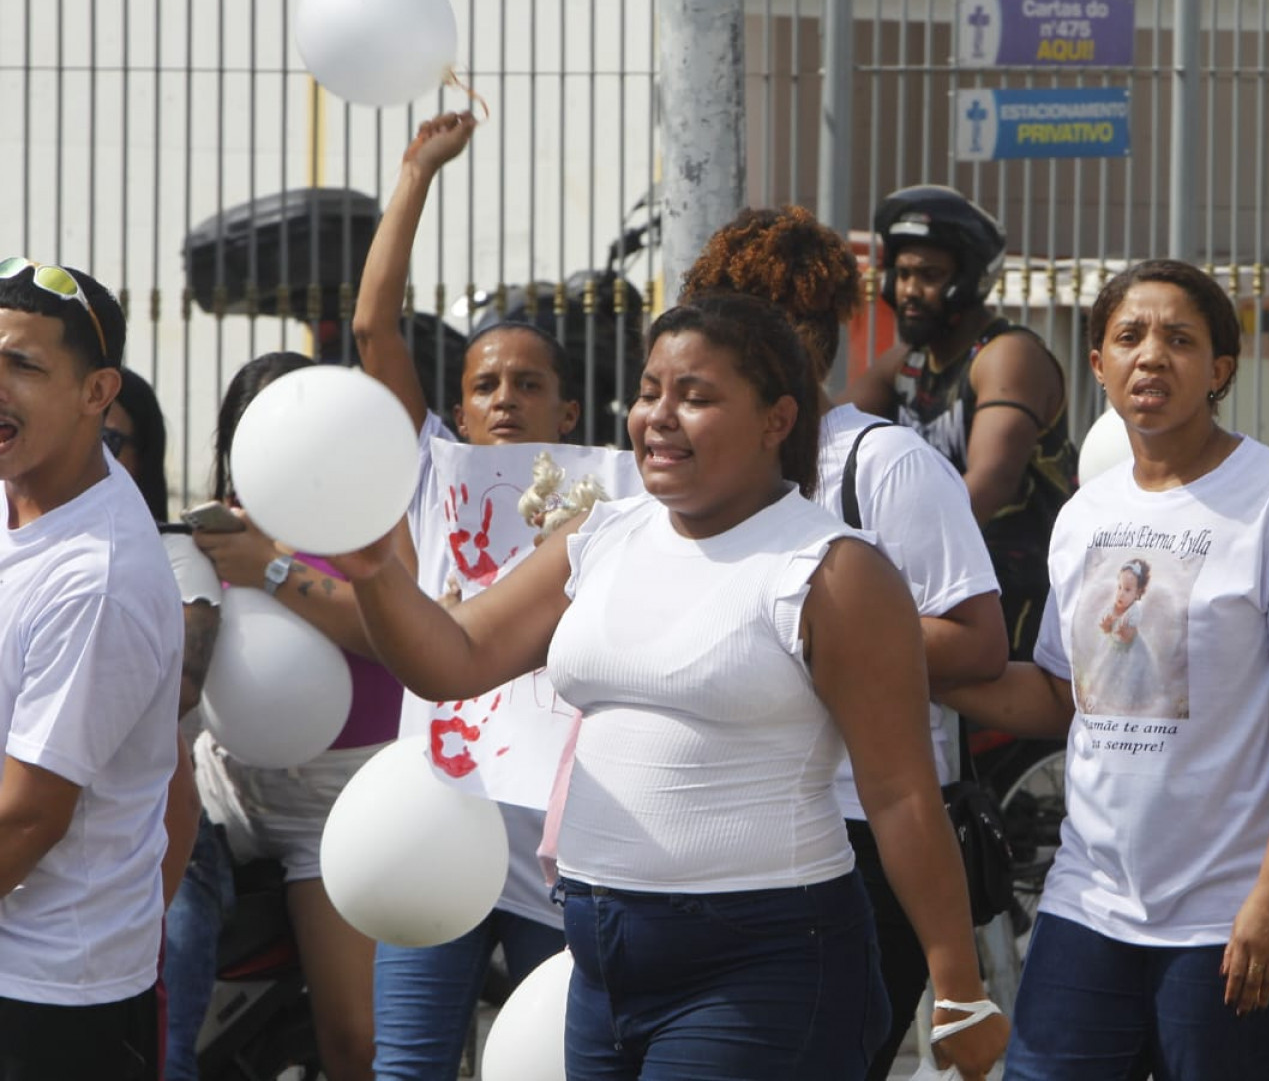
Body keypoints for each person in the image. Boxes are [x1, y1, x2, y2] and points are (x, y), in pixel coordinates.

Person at [329, 291, 1008, 1079]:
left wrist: (959, 986)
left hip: (765, 965)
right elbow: (453, 659)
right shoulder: (601, 533)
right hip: (602, 965)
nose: (658, 415)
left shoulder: (833, 570)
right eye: (650, 391)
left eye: (696, 396)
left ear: (776, 419)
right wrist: (376, 570)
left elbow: (901, 795)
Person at [943, 259, 1269, 1081]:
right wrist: (915, 670)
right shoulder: (1085, 515)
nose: (1152, 356)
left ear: (1220, 370)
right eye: (1129, 336)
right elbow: (1071, 696)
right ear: (1097, 365)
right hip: (1090, 896)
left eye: (1180, 338)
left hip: (1233, 908)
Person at [681, 205, 1009, 1079]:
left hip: (866, 840)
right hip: (731, 832)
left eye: (751, 325)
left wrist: (815, 635)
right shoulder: (693, 476)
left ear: (805, 337)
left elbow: (977, 642)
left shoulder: (883, 464)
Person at [348, 109, 574, 1080]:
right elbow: (370, 326)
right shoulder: (432, 476)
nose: (505, 398)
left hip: (550, 862)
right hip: (431, 830)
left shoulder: (609, 505)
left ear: (569, 411)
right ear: (461, 404)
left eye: (529, 382)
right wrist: (416, 176)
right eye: (486, 383)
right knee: (407, 1068)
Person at [170, 351, 403, 1081]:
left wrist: (270, 565)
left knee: (355, 1045)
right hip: (223, 793)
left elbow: (395, 638)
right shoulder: (216, 526)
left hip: (335, 811)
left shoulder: (374, 522)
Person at [0, 258, 183, 1079]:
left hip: (48, 995)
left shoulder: (99, 575)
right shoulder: (15, 490)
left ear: (98, 390)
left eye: (22, 365)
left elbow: (27, 818)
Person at [849, 184, 1077, 661]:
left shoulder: (1005, 356)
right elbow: (831, 434)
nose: (909, 290)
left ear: (969, 279)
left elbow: (990, 482)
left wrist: (888, 569)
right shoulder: (908, 364)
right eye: (904, 273)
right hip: (941, 584)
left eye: (929, 275)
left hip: (1016, 594)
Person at [107, 367, 221, 906]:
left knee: (168, 951)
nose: (93, 451)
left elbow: (182, 690)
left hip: (152, 818)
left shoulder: (175, 551)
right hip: (39, 797)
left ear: (143, 455)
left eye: (110, 439)